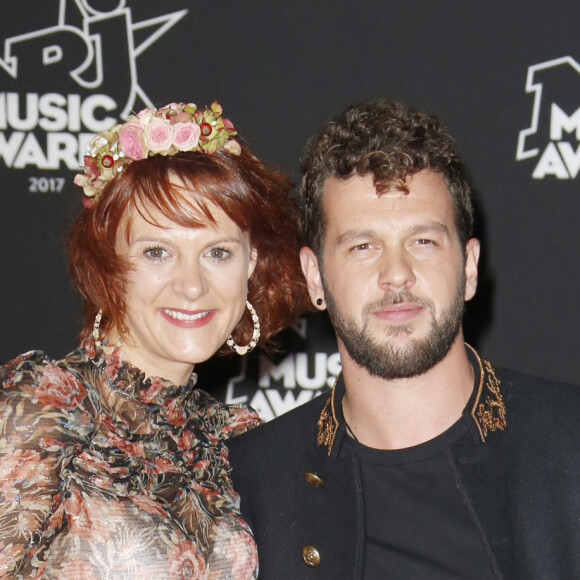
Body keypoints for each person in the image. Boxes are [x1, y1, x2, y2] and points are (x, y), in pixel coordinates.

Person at [228, 100, 580, 579]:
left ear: (469, 267)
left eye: (423, 241)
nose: (397, 274)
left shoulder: (568, 442)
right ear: (314, 278)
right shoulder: (251, 485)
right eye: (363, 246)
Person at [0, 101, 308, 579]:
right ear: (110, 263)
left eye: (218, 252)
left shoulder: (237, 437)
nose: (191, 285)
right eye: (158, 252)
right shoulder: (44, 404)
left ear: (250, 264)